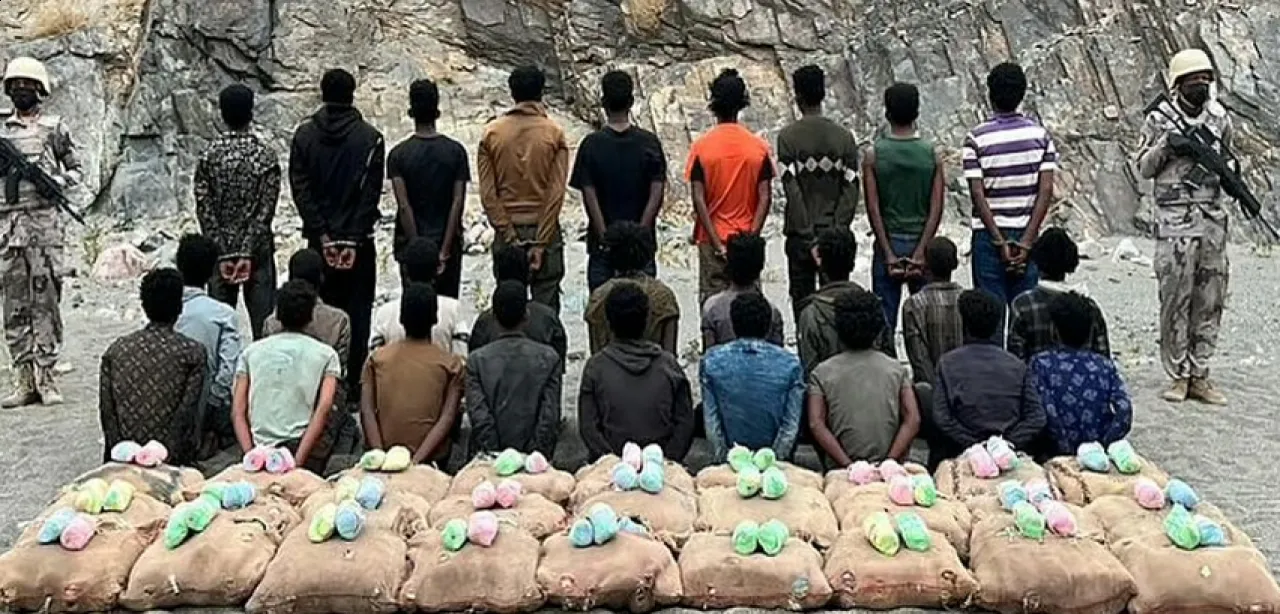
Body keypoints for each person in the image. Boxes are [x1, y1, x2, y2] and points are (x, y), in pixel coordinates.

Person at [1136, 49, 1232, 405]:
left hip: (1211, 223)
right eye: (1194, 80)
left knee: (1210, 300)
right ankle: (1178, 375)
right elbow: (1144, 168)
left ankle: (1200, 373)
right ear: (1178, 84)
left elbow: (1227, 162)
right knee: (1175, 300)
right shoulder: (1158, 120)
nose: (1201, 85)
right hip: (1174, 224)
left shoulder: (1220, 120)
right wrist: (1167, 145)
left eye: (1206, 79)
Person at [288, 68, 385, 396]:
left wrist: (324, 237)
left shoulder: (303, 136)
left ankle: (318, 384)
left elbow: (301, 191)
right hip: (359, 242)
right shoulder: (371, 138)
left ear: (322, 93)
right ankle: (353, 384)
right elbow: (370, 196)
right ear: (352, 94)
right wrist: (352, 240)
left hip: (319, 244)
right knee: (358, 313)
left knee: (317, 311)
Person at [0, 57, 82, 407]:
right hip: (9, 229)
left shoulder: (54, 127)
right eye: (15, 85)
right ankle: (23, 381)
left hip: (45, 228)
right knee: (14, 305)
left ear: (40, 89)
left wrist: (54, 182)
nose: (21, 90)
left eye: (27, 85)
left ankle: (46, 378)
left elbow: (76, 169)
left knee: (46, 301)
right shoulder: (2, 132)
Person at [962, 62, 1058, 305]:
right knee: (1025, 313)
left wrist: (998, 241)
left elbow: (977, 194)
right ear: (1022, 95)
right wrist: (1026, 242)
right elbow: (1046, 191)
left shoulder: (976, 138)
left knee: (989, 314)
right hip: (1027, 232)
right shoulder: (1041, 137)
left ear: (990, 94)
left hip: (988, 236)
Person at [479, 66, 570, 315]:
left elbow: (488, 196)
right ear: (541, 92)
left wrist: (510, 238)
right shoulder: (554, 133)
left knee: (508, 307)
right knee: (546, 309)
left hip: (507, 230)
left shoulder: (492, 134)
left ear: (512, 93)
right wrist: (540, 243)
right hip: (545, 231)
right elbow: (556, 193)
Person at [195, 84, 281, 339]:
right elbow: (265, 212)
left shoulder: (208, 157)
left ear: (221, 114)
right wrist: (246, 251)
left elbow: (205, 210)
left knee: (219, 331)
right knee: (265, 330)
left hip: (218, 252)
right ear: (251, 113)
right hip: (258, 252)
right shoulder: (265, 157)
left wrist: (223, 252)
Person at [570, 70, 667, 291]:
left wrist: (605, 237)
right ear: (631, 102)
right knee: (643, 305)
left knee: (601, 306)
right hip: (642, 248)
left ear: (603, 103)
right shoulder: (649, 143)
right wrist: (640, 233)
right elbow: (657, 191)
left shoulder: (591, 145)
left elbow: (589, 195)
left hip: (602, 247)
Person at [865, 83, 945, 349]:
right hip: (922, 243)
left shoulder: (873, 155)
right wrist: (921, 251)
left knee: (883, 323)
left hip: (888, 242)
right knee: (925, 325)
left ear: (887, 113)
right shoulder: (932, 154)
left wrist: (888, 252)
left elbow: (873, 207)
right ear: (917, 113)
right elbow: (936, 207)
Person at [233, 280, 342, 474]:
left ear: (277, 314)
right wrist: (297, 462)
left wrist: (251, 456)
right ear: (311, 316)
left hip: (258, 446)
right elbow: (324, 408)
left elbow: (238, 411)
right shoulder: (327, 355)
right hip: (300, 446)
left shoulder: (251, 352)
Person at [99, 269, 206, 465]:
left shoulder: (116, 350)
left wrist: (120, 453)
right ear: (179, 307)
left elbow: (108, 414)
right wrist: (164, 455)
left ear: (144, 306)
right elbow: (186, 416)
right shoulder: (192, 353)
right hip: (169, 461)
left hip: (122, 458)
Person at [686, 68, 775, 305]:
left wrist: (717, 244)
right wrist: (751, 239)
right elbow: (765, 197)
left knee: (712, 307)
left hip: (711, 239)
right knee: (750, 306)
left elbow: (698, 199)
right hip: (745, 237)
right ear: (742, 103)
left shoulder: (701, 148)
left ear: (713, 104)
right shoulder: (758, 148)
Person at [777, 65, 859, 320]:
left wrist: (809, 237)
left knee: (803, 306)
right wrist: (836, 230)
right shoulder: (844, 138)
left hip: (800, 237)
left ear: (797, 96)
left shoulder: (787, 138)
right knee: (835, 304)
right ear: (823, 94)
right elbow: (851, 189)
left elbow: (792, 191)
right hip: (834, 236)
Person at [579, 283, 695, 461]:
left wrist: (613, 462)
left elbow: (588, 428)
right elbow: (685, 424)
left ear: (608, 322)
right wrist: (665, 461)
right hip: (662, 467)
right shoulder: (669, 366)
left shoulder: (595, 368)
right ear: (647, 320)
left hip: (611, 468)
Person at [930, 289, 1045, 468]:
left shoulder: (947, 364)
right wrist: (1005, 444)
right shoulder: (1017, 365)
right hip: (1007, 453)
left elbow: (942, 418)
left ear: (964, 325)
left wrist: (975, 444)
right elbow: (1037, 417)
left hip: (962, 450)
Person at [808, 289, 922, 468]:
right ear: (878, 329)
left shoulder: (821, 373)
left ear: (839, 328)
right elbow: (913, 419)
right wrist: (890, 461)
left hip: (840, 471)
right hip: (889, 471)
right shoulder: (897, 370)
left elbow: (816, 423)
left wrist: (848, 465)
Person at [360, 282, 464, 465]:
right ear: (435, 319)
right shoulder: (452, 365)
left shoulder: (376, 360)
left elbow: (367, 411)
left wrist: (380, 455)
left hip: (383, 459)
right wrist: (415, 463)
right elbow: (447, 419)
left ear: (401, 318)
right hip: (432, 460)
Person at [387, 79, 469, 299]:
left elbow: (404, 206)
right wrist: (445, 251)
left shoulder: (398, 155)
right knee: (447, 306)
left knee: (415, 306)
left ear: (411, 110)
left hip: (411, 245)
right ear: (437, 110)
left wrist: (417, 249)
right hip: (447, 242)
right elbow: (457, 202)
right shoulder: (456, 152)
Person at [700, 293, 804, 462]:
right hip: (775, 462)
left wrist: (724, 459)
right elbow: (791, 425)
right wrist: (774, 460)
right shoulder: (791, 364)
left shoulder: (712, 361)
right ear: (768, 326)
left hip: (731, 458)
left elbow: (712, 421)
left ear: (734, 324)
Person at [466, 280, 563, 456]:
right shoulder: (549, 358)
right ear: (526, 315)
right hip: (535, 460)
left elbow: (479, 416)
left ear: (493, 317)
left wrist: (494, 453)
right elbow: (549, 417)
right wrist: (534, 454)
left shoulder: (477, 361)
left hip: (488, 458)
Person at [1030, 292, 1132, 457]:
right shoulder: (1104, 366)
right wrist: (1105, 444)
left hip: (1054, 454)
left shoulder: (1041, 363)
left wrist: (1065, 450)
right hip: (1097, 453)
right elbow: (1124, 409)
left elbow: (1048, 412)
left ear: (1053, 330)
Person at [174, 234, 244, 456]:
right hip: (206, 407)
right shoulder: (224, 315)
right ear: (212, 271)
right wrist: (212, 404)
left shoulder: (163, 308)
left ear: (178, 265)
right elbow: (228, 371)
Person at [1007, 228, 1110, 361]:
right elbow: (1103, 357)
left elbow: (1015, 358)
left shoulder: (1022, 305)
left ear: (1037, 261)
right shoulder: (1090, 307)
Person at [797, 228, 883, 376]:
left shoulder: (810, 314)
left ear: (820, 263)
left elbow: (809, 371)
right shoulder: (874, 307)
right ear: (853, 263)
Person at [585, 221, 679, 355]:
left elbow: (596, 351)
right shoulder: (664, 297)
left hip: (610, 367)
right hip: (654, 367)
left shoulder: (598, 298)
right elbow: (670, 354)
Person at [469, 245, 567, 365]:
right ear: (528, 276)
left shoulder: (484, 323)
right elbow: (559, 365)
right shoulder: (548, 318)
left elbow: (473, 364)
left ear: (496, 275)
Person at [369, 237, 465, 354]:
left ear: (405, 270)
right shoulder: (453, 310)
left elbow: (374, 357)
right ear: (439, 268)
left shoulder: (384, 313)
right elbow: (462, 356)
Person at [264, 249, 352, 364]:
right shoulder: (339, 321)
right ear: (321, 279)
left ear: (290, 277)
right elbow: (339, 367)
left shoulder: (271, 323)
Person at [701, 231, 784, 350]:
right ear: (761, 267)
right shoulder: (773, 312)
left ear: (728, 264)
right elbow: (778, 354)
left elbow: (708, 355)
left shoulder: (711, 309)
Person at [902, 237, 964, 386]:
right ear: (955, 264)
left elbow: (918, 358)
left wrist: (935, 389)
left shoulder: (914, 304)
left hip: (930, 388)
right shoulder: (967, 300)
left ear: (925, 265)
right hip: (964, 384)